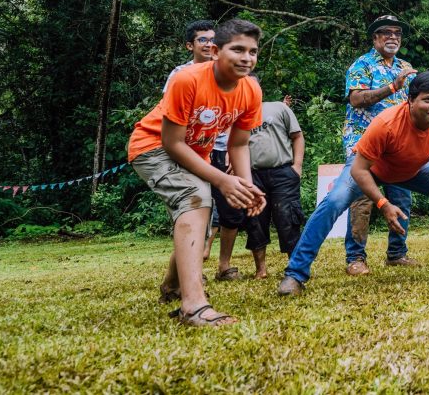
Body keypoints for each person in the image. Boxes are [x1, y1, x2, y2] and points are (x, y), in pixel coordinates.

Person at [277, 72, 429, 296]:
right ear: (410, 100)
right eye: (428, 99)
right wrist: (382, 203)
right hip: (370, 168)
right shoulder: (387, 123)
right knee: (334, 202)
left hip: (413, 169)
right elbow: (359, 169)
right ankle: (295, 275)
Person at [128, 19, 265, 327]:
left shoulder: (250, 90)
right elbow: (172, 142)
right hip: (152, 147)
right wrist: (221, 179)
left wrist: (247, 186)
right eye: (238, 49)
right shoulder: (187, 79)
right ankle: (193, 306)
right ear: (216, 51)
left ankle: (173, 287)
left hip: (195, 152)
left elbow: (239, 144)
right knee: (194, 196)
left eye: (253, 52)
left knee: (200, 215)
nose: (247, 58)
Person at [341, 15, 418, 276]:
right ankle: (356, 258)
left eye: (397, 33)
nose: (393, 37)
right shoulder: (362, 65)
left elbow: (413, 104)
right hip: (364, 143)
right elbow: (357, 99)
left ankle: (397, 253)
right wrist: (392, 86)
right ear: (375, 38)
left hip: (397, 146)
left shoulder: (406, 66)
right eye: (386, 33)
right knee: (361, 201)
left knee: (401, 197)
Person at [161, 19, 222, 261]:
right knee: (190, 204)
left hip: (215, 148)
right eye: (203, 40)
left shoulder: (224, 72)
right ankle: (189, 264)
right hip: (183, 147)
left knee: (209, 206)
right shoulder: (180, 74)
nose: (209, 45)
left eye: (213, 40)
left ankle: (198, 258)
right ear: (190, 46)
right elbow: (170, 113)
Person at [244, 98, 306, 279]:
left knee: (288, 218)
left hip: (283, 172)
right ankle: (260, 270)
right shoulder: (240, 115)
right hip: (253, 174)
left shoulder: (278, 108)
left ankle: (294, 268)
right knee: (255, 220)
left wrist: (298, 166)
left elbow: (297, 136)